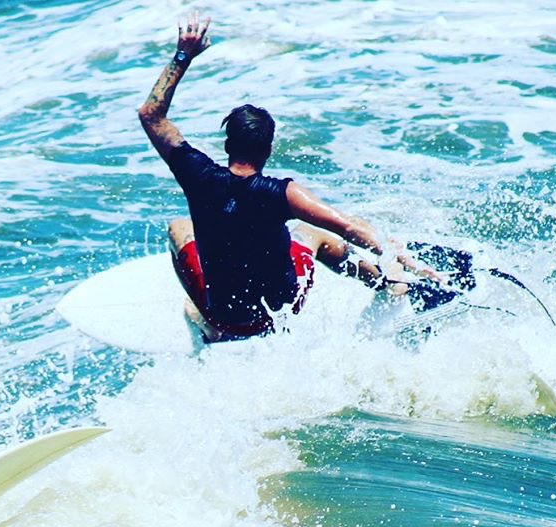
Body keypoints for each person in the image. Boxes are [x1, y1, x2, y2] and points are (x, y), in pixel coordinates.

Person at [139, 14, 434, 342]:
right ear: (267, 150)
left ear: (227, 145)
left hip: (223, 313)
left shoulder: (198, 175)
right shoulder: (283, 194)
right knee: (314, 233)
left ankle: (210, 323)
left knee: (178, 228)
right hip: (276, 312)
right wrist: (396, 254)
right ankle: (388, 283)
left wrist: (183, 55)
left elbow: (151, 115)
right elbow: (349, 227)